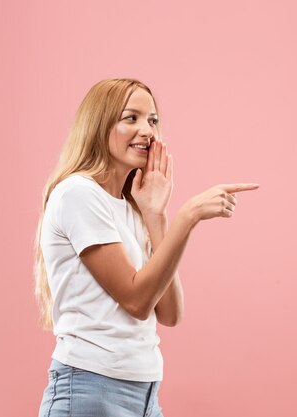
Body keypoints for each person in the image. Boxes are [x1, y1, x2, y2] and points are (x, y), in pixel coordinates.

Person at [33, 78, 259, 417]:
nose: (147, 130)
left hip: (144, 393)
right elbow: (138, 301)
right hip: (89, 391)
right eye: (131, 117)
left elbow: (169, 313)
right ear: (98, 125)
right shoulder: (78, 194)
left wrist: (157, 216)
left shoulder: (130, 206)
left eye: (152, 120)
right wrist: (189, 215)